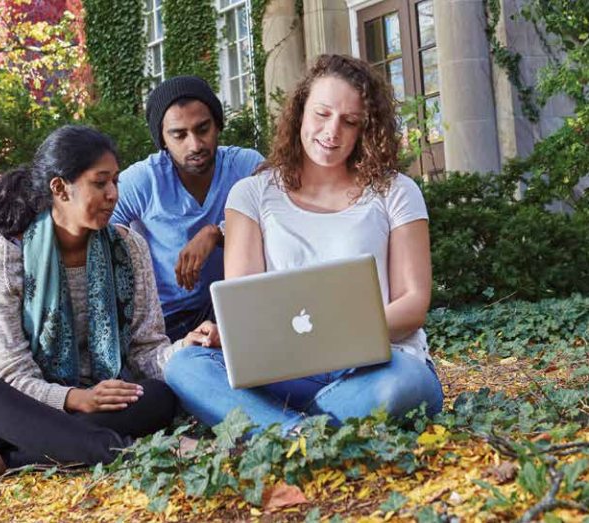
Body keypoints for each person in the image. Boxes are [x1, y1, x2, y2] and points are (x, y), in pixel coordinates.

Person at [164, 54, 444, 434]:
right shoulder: (252, 194)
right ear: (299, 114)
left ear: (365, 127)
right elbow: (244, 303)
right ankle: (306, 432)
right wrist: (228, 336)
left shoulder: (396, 191)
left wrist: (336, 338)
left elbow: (412, 305)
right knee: (185, 366)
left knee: (404, 384)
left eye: (349, 121)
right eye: (322, 114)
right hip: (283, 370)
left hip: (379, 366)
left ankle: (278, 427)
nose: (332, 132)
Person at [0, 125, 183, 497]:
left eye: (116, 182)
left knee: (158, 397)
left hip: (98, 405)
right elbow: (9, 370)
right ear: (60, 189)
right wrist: (74, 399)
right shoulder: (7, 258)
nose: (113, 195)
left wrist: (186, 352)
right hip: (19, 410)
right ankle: (120, 450)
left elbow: (145, 347)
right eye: (100, 183)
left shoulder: (128, 248)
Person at [111, 75, 264, 342]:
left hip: (236, 310)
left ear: (218, 125)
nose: (195, 145)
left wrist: (217, 232)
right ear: (162, 139)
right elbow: (99, 228)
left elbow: (284, 214)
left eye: (202, 129)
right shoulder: (145, 179)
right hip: (168, 321)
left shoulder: (246, 165)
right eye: (179, 135)